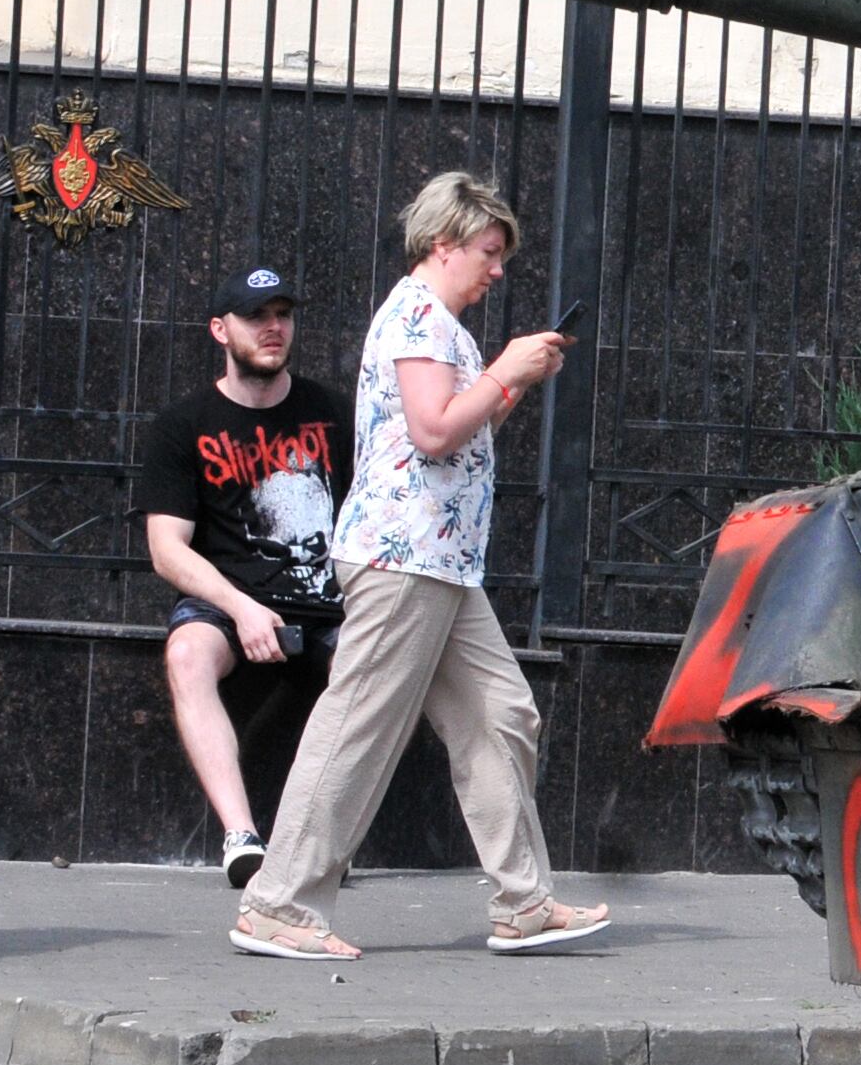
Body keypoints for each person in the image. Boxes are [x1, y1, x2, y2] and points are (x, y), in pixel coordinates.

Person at [233, 171, 606, 963]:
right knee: (359, 725)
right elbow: (436, 432)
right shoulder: (417, 317)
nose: (498, 268)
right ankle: (277, 903)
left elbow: (455, 430)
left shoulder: (439, 324)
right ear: (444, 244)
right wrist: (507, 369)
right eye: (489, 251)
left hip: (439, 562)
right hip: (402, 558)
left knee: (501, 714)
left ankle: (525, 902)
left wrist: (514, 382)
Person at [138, 261, 346, 891]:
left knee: (378, 672)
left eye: (282, 314)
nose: (273, 327)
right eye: (256, 317)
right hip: (230, 603)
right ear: (220, 330)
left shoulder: (336, 414)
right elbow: (165, 550)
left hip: (330, 604)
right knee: (188, 654)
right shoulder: (183, 425)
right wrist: (243, 607)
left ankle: (320, 839)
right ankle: (242, 836)